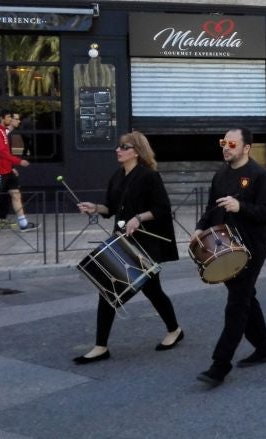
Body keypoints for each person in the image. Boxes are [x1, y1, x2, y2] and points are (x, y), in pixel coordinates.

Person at [73, 132, 183, 364]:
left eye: (124, 147)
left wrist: (138, 218)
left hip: (145, 244)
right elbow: (111, 208)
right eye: (119, 146)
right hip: (123, 241)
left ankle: (174, 330)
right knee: (110, 290)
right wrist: (95, 208)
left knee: (149, 291)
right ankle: (101, 346)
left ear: (136, 151)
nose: (118, 150)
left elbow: (162, 209)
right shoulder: (118, 176)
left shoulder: (149, 176)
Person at [194, 128, 266, 387]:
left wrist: (241, 206)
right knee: (245, 298)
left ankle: (220, 365)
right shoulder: (220, 174)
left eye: (232, 143)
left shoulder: (259, 176)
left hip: (251, 248)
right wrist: (200, 227)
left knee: (237, 303)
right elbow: (212, 208)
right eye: (223, 143)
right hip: (225, 247)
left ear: (246, 147)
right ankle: (264, 347)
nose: (226, 147)